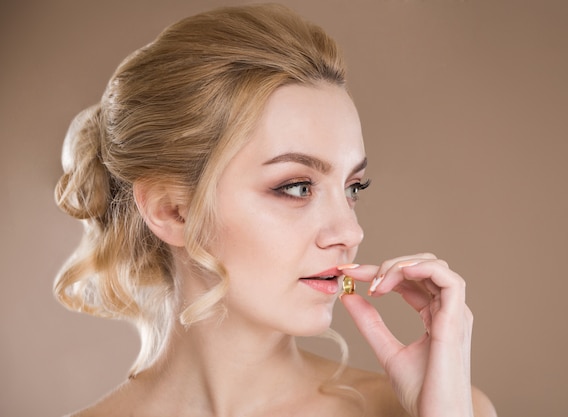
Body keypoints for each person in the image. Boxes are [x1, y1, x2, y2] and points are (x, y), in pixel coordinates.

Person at [54, 3, 496, 416]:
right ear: (172, 211)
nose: (350, 231)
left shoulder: (436, 408)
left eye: (353, 187)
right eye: (297, 186)